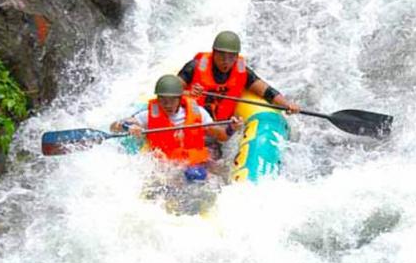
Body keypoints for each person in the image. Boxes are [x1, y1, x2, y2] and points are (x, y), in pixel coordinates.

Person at [110, 74, 241, 180]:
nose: (167, 104)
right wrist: (128, 127)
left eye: (172, 100)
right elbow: (114, 126)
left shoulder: (198, 112)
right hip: (166, 167)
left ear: (179, 98)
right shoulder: (148, 115)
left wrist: (232, 128)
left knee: (202, 175)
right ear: (158, 98)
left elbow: (221, 136)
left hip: (194, 162)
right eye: (163, 100)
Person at [177, 30, 301, 125]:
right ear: (214, 53)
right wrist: (188, 92)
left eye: (231, 57)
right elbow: (170, 92)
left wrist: (287, 104)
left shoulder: (243, 72)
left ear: (236, 56)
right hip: (192, 121)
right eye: (221, 55)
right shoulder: (194, 67)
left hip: (219, 126)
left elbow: (267, 92)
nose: (226, 61)